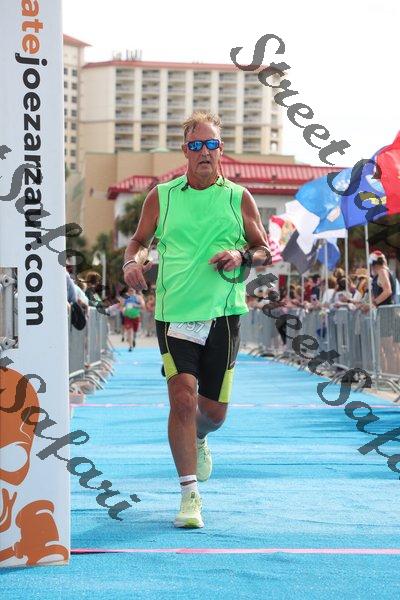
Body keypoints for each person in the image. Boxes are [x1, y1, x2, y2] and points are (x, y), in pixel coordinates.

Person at [122, 111, 271, 528]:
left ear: (221, 150)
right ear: (185, 151)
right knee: (182, 398)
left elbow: (263, 250)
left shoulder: (238, 197)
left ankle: (201, 436)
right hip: (174, 314)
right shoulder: (162, 196)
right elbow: (138, 241)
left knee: (213, 413)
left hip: (223, 314)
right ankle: (189, 495)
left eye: (211, 145)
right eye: (196, 145)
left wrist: (241, 255)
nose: (204, 152)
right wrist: (132, 262)